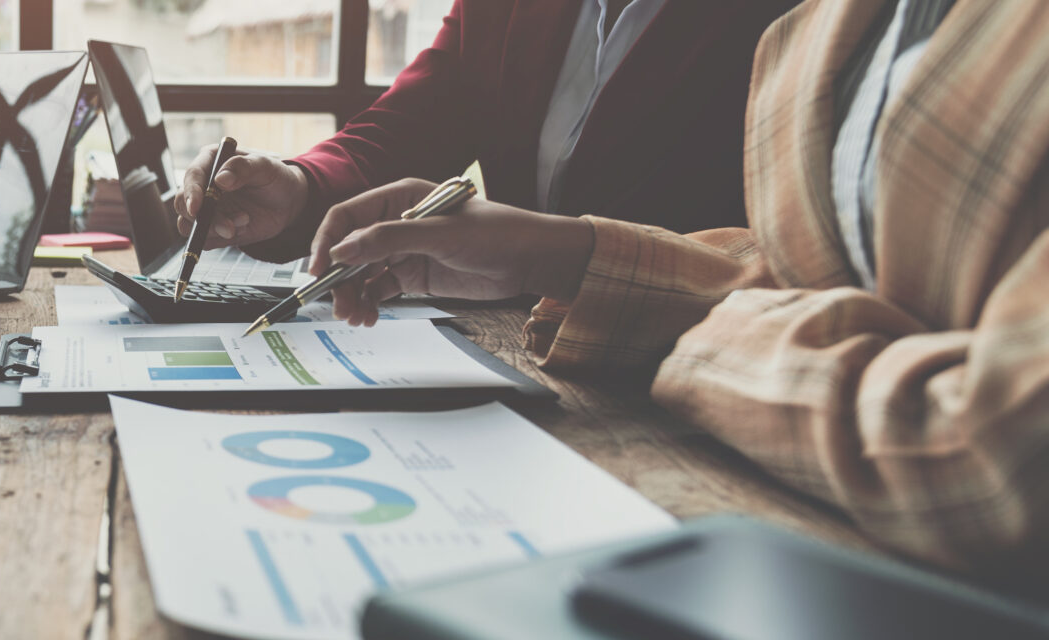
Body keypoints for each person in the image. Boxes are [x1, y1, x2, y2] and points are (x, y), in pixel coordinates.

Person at [313, 0, 1049, 577]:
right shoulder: (834, 21)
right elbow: (808, 274)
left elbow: (1003, 456)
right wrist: (565, 255)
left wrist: (712, 341)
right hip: (810, 534)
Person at [173, 0, 800, 261]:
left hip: (697, 383)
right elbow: (414, 120)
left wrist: (545, 257)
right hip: (527, 370)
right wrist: (300, 183)